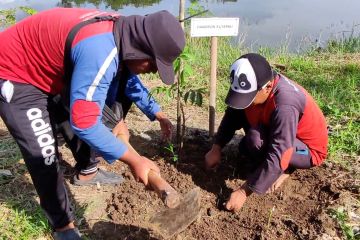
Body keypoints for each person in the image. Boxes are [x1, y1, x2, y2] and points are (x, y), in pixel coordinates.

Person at [0, 7, 185, 239]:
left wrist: (126, 120)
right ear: (140, 49)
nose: (154, 71)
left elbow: (121, 81)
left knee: (84, 115)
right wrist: (134, 160)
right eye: (154, 64)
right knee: (44, 154)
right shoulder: (100, 49)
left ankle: (87, 171)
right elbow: (85, 123)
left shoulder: (124, 33)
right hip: (16, 73)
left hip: (54, 71)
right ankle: (63, 227)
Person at [205, 53, 328, 212]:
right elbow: (233, 114)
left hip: (306, 149)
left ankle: (285, 169)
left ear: (268, 87)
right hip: (276, 131)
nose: (245, 102)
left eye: (249, 97)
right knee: (252, 142)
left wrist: (244, 191)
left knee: (259, 144)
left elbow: (281, 152)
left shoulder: (285, 106)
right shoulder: (256, 85)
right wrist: (216, 147)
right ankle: (266, 168)